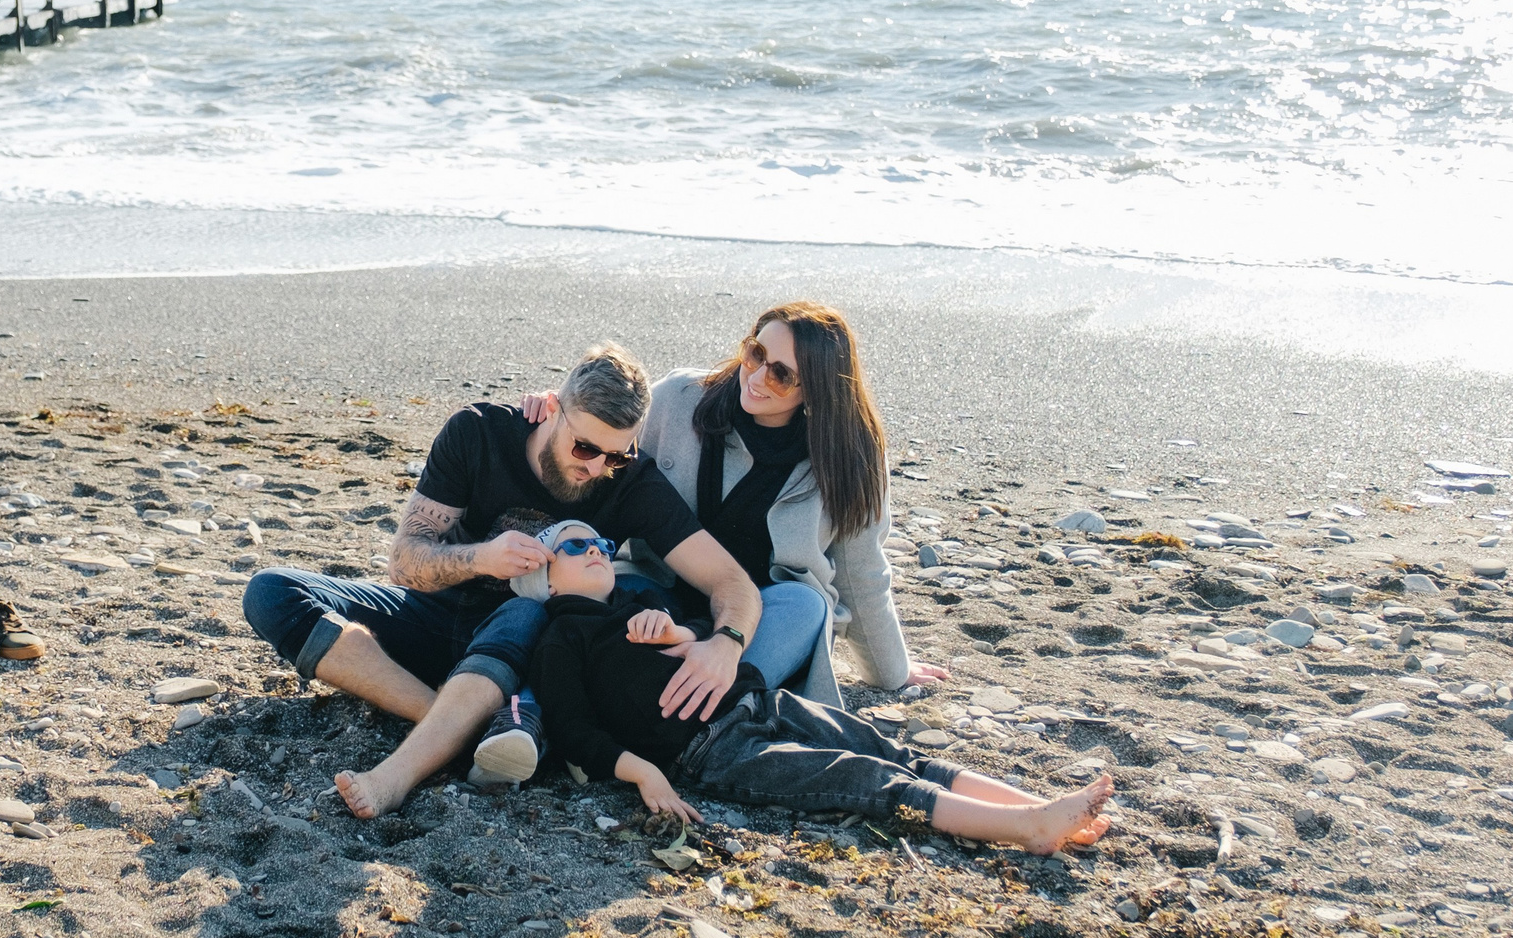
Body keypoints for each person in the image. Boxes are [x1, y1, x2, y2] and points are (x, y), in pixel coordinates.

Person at [239, 343, 765, 820]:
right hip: (439, 618)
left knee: (532, 607)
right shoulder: (479, 433)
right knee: (271, 592)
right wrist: (481, 559)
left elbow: (730, 582)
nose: (597, 467)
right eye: (585, 449)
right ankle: (449, 721)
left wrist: (728, 642)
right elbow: (403, 562)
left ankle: (399, 774)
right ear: (553, 409)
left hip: (538, 656)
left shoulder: (632, 482)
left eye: (616, 455)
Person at [527, 519, 1111, 852]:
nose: (597, 551)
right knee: (862, 777)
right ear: (543, 579)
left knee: (886, 747)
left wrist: (678, 629)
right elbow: (572, 729)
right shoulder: (561, 638)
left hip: (758, 699)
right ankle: (1024, 829)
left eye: (603, 544)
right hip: (710, 750)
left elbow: (708, 631)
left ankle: (1039, 808)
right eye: (575, 547)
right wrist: (641, 770)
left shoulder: (640, 599)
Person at [518, 302, 947, 754]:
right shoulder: (677, 399)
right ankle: (586, 715)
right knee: (585, 614)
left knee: (807, 602)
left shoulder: (851, 458)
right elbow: (596, 443)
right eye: (755, 354)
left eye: (781, 374)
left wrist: (890, 671)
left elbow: (861, 575)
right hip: (652, 595)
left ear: (818, 389)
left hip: (758, 620)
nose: (758, 377)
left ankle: (713, 713)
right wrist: (554, 412)